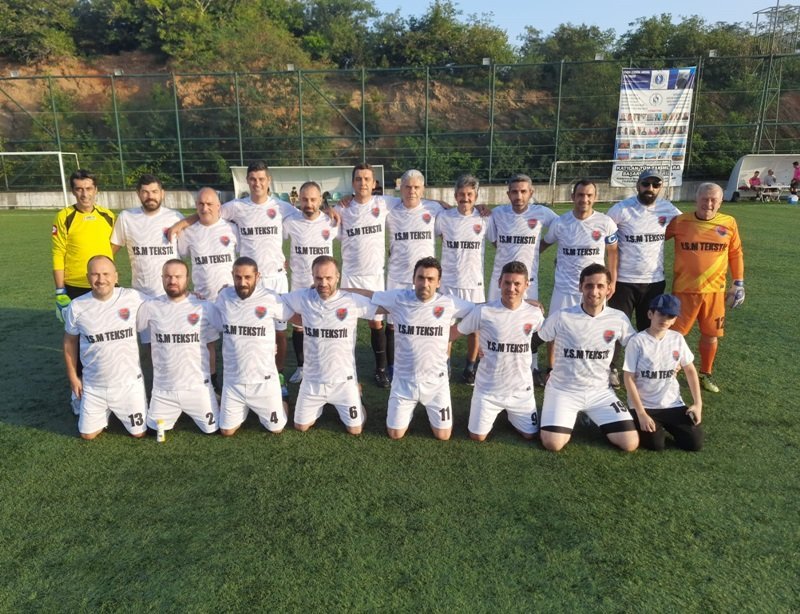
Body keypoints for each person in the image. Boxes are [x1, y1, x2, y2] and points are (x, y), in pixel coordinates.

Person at [347, 257, 474, 441]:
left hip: (436, 384)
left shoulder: (449, 303)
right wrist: (338, 291)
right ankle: (366, 398)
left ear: (438, 282)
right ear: (414, 279)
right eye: (421, 278)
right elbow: (369, 295)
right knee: (395, 434)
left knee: (443, 435)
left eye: (430, 279)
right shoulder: (399, 298)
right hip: (404, 382)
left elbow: (479, 312)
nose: (425, 283)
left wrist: (458, 330)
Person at [532, 263, 638, 452]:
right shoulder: (562, 316)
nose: (594, 292)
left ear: (608, 289)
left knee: (630, 443)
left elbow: (638, 346)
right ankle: (564, 412)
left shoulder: (618, 318)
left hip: (600, 392)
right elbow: (532, 342)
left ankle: (592, 414)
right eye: (589, 286)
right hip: (563, 390)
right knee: (553, 443)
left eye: (600, 286)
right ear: (580, 287)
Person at [281, 256, 378, 435]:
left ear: (338, 277)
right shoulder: (304, 297)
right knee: (301, 426)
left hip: (343, 381)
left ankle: (357, 395)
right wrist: (303, 321)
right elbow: (277, 303)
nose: (323, 283)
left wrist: (345, 291)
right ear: (312, 277)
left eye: (328, 278)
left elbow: (381, 302)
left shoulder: (351, 301)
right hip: (312, 381)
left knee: (355, 429)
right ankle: (288, 396)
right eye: (318, 278)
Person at [665, 182, 745, 393]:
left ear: (720, 202)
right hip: (684, 291)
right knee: (675, 335)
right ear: (696, 199)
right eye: (704, 199)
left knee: (711, 334)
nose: (708, 204)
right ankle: (669, 372)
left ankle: (705, 374)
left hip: (715, 292)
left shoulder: (729, 223)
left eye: (713, 200)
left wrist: (738, 282)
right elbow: (655, 238)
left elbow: (735, 253)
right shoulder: (680, 221)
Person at [606, 169, 681, 386]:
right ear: (638, 185)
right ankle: (611, 367)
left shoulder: (668, 210)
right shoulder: (621, 209)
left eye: (655, 185)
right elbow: (603, 233)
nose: (650, 189)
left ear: (661, 188)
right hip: (623, 282)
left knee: (648, 328)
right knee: (617, 327)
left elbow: (688, 227)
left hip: (654, 282)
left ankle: (644, 367)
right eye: (646, 184)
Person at [455, 261, 545, 441]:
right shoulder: (484, 311)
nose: (511, 288)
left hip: (521, 391)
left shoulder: (535, 314)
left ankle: (511, 413)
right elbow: (455, 332)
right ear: (499, 283)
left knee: (530, 435)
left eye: (517, 284)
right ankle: (496, 409)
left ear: (526, 285)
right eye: (507, 283)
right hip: (488, 390)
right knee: (477, 436)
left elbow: (549, 335)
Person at [62, 255, 147, 440]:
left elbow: (163, 303)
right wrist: (73, 377)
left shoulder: (132, 297)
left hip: (128, 384)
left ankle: (119, 408)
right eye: (95, 274)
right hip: (94, 386)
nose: (101, 279)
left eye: (106, 274)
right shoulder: (77, 306)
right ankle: (97, 408)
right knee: (87, 435)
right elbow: (69, 342)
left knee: (139, 433)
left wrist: (191, 297)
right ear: (88, 278)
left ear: (116, 276)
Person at [136, 259, 220, 434]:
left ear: (187, 279)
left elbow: (218, 340)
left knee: (213, 430)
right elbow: (129, 332)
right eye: (168, 276)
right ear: (161, 278)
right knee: (152, 431)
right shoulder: (150, 307)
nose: (172, 280)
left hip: (198, 388)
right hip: (163, 390)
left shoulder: (204, 307)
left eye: (178, 276)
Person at [213, 257, 289, 436]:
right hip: (234, 381)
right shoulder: (224, 296)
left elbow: (295, 315)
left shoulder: (270, 298)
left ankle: (282, 399)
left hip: (264, 381)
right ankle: (240, 405)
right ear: (232, 275)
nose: (242, 283)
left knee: (276, 429)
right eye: (238, 277)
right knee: (227, 431)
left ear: (257, 276)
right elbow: (211, 315)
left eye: (247, 277)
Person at [335, 163, 392, 388]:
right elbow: (326, 219)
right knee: (347, 324)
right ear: (353, 183)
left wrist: (442, 204)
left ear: (374, 183)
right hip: (350, 275)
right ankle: (346, 370)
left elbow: (413, 198)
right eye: (358, 179)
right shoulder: (342, 208)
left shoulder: (384, 203)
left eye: (367, 179)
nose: (363, 183)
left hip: (374, 276)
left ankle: (381, 369)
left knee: (376, 323)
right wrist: (329, 208)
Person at [623, 294, 704, 451]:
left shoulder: (677, 339)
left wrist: (697, 404)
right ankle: (637, 421)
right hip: (645, 406)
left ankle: (665, 426)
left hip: (672, 404)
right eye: (661, 314)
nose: (665, 319)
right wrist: (641, 413)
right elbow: (628, 378)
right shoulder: (637, 341)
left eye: (670, 316)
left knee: (695, 443)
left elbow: (690, 370)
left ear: (674, 320)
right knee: (656, 445)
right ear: (650, 314)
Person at [435, 173, 488, 384]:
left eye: (469, 194)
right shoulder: (444, 217)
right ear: (455, 195)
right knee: (445, 328)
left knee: (475, 329)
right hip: (449, 283)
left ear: (476, 196)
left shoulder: (484, 218)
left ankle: (470, 367)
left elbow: (496, 241)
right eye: (461, 194)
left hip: (474, 284)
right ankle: (445, 365)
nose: (465, 198)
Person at [282, 181, 337, 384]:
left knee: (326, 326)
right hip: (300, 283)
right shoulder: (290, 222)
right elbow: (273, 240)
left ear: (320, 200)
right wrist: (281, 259)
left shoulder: (331, 221)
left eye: (313, 199)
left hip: (324, 285)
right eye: (305, 199)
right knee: (299, 327)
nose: (309, 204)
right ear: (299, 199)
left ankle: (327, 367)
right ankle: (301, 367)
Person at [486, 173, 558, 304]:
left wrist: (542, 245)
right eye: (514, 192)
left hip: (528, 280)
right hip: (500, 279)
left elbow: (563, 226)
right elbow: (477, 218)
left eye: (523, 191)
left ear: (531, 193)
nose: (519, 196)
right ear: (508, 194)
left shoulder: (542, 212)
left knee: (527, 315)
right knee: (495, 314)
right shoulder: (497, 213)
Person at [52, 169, 115, 316]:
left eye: (88, 188)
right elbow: (58, 252)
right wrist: (60, 290)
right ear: (73, 191)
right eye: (79, 189)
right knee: (80, 328)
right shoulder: (63, 217)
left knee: (110, 325)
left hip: (106, 282)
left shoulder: (108, 216)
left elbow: (113, 245)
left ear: (96, 190)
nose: (85, 194)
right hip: (76, 285)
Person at [111, 174, 184, 298]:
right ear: (138, 194)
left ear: (162, 193)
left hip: (171, 293)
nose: (150, 196)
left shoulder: (176, 217)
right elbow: (111, 250)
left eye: (154, 192)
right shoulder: (126, 217)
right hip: (140, 295)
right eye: (145, 192)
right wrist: (110, 274)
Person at [177, 187, 238, 301]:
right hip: (201, 300)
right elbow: (179, 261)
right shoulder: (188, 232)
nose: (205, 208)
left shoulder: (232, 228)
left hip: (229, 298)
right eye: (201, 204)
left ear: (218, 205)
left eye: (209, 204)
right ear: (196, 205)